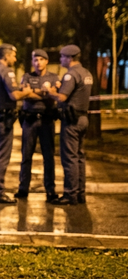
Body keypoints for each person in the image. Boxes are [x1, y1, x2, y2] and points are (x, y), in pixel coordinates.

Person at [0, 44, 35, 204]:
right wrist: (27, 91)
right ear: (6, 56)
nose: (15, 59)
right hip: (2, 120)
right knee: (1, 157)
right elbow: (14, 95)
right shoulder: (6, 71)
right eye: (13, 56)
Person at [48, 45, 93, 205]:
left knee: (70, 158)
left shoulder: (71, 74)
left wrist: (50, 91)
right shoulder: (86, 73)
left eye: (62, 57)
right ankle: (80, 194)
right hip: (83, 119)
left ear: (69, 58)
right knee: (80, 157)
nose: (61, 60)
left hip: (72, 121)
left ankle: (70, 194)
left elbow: (63, 97)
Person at [15, 49, 61, 202]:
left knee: (48, 157)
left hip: (47, 121)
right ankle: (23, 189)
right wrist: (42, 92)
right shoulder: (27, 76)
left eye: (41, 59)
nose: (38, 62)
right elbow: (25, 93)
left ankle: (50, 190)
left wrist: (34, 93)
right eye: (35, 60)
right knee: (26, 155)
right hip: (30, 120)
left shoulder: (53, 77)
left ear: (46, 61)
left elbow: (53, 96)